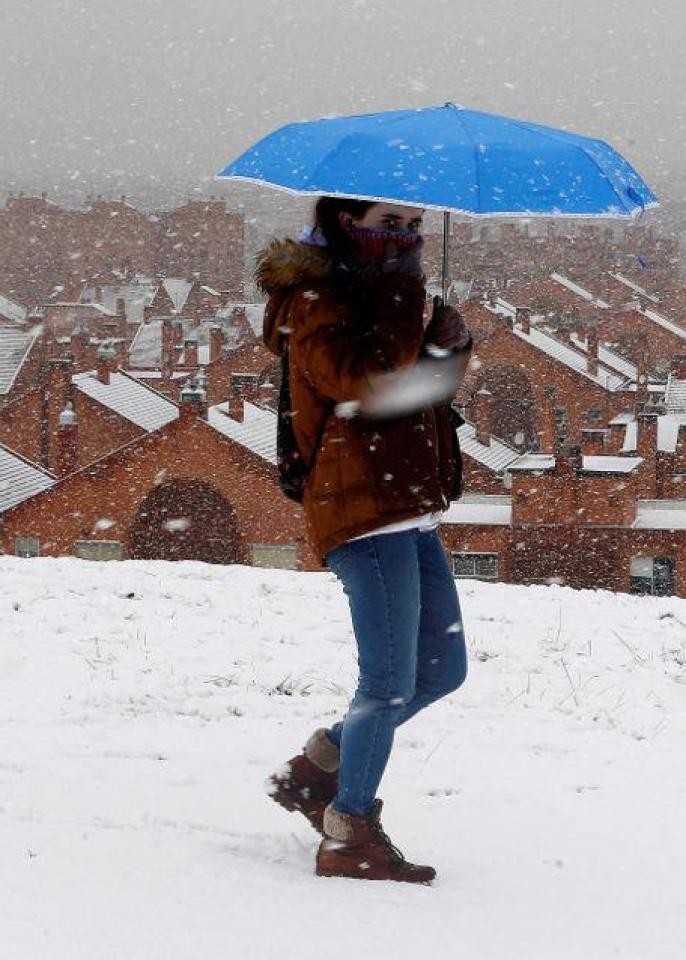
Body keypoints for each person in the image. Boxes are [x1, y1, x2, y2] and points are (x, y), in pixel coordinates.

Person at [258, 197, 474, 884]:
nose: (405, 236)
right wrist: (407, 300)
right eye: (391, 223)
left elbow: (417, 393)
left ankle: (317, 768)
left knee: (442, 669)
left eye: (413, 227)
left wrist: (446, 344)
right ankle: (348, 834)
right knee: (385, 683)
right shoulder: (317, 302)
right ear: (347, 223)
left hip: (409, 503)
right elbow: (364, 381)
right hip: (360, 505)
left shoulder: (383, 296)